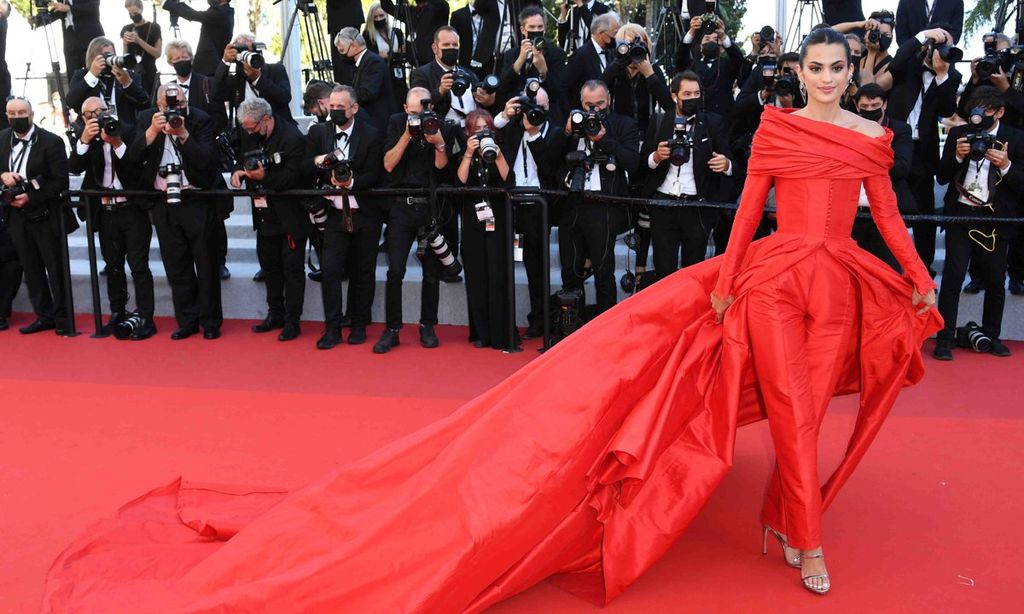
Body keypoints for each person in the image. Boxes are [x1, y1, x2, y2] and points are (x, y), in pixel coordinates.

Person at [41, 28, 945, 612]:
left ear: (853, 73)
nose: (825, 77)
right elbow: (748, 211)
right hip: (773, 283)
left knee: (812, 404)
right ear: (800, 72)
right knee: (786, 401)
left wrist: (916, 279)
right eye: (814, 67)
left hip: (841, 284)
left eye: (837, 67)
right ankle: (807, 537)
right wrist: (727, 283)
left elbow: (890, 216)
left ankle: (787, 517)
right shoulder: (778, 131)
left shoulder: (870, 140)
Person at [125, 83, 225, 340]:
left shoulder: (200, 119)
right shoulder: (146, 119)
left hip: (196, 198)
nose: (173, 108)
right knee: (176, 265)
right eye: (168, 104)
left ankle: (211, 321)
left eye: (178, 103)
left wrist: (183, 134)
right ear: (158, 105)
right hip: (162, 203)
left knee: (206, 263)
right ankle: (187, 320)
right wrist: (151, 133)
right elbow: (131, 160)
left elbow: (207, 160)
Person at [933, 86, 1024, 360]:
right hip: (961, 215)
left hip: (996, 220)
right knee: (952, 278)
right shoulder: (959, 134)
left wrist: (1006, 165)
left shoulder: (1016, 138)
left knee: (996, 281)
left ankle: (991, 335)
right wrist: (958, 156)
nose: (980, 116)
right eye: (976, 111)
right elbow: (941, 177)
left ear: (1000, 112)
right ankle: (944, 337)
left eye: (986, 111)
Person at [374, 87, 456, 354]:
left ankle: (427, 325)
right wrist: (407, 136)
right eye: (413, 112)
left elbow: (442, 168)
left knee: (431, 272)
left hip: (429, 207)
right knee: (395, 270)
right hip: (400, 207)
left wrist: (439, 143)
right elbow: (388, 164)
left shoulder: (439, 124)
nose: (418, 117)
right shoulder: (396, 122)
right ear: (405, 108)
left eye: (422, 112)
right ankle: (392, 329)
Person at [70, 96, 156, 340]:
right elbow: (74, 167)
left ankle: (147, 318)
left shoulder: (128, 130)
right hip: (106, 212)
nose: (98, 116)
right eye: (90, 114)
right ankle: (118, 312)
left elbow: (136, 166)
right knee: (113, 266)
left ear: (110, 110)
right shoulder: (87, 137)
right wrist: (85, 139)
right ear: (84, 118)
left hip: (132, 210)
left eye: (101, 110)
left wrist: (117, 143)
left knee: (139, 266)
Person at [307, 85, 384, 350]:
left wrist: (353, 181)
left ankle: (360, 323)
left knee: (364, 271)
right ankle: (332, 327)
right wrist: (320, 162)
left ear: (354, 108)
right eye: (333, 106)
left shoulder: (372, 135)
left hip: (365, 214)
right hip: (333, 214)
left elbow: (376, 174)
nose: (336, 111)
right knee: (329, 271)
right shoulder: (319, 133)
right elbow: (307, 164)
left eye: (342, 106)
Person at [554, 79, 639, 316]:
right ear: (580, 103)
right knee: (570, 271)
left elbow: (633, 163)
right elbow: (549, 160)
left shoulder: (623, 125)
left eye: (600, 103)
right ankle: (573, 326)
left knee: (603, 271)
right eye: (588, 104)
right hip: (572, 203)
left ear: (609, 100)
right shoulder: (572, 125)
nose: (594, 110)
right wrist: (567, 132)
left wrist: (603, 140)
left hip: (604, 205)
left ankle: (605, 327)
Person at [231, 98, 310, 341]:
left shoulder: (293, 138)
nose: (248, 131)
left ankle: (292, 320)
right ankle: (275, 313)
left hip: (289, 217)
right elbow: (243, 158)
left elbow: (294, 178)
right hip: (264, 216)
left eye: (252, 127)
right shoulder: (250, 134)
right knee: (270, 268)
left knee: (292, 271)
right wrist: (239, 171)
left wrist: (264, 176)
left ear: (266, 119)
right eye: (245, 128)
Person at [641, 71, 732, 278]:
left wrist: (725, 164)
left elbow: (731, 162)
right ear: (675, 96)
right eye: (687, 93)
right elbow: (641, 162)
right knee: (664, 268)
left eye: (696, 93)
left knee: (694, 270)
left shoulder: (712, 123)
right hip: (663, 205)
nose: (692, 98)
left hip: (697, 206)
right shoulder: (659, 121)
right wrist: (656, 157)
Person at [886, 26, 961, 274]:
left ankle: (923, 267)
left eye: (946, 47)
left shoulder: (951, 76)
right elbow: (895, 63)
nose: (942, 51)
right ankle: (887, 263)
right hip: (896, 144)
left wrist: (941, 76)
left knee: (924, 211)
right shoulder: (908, 66)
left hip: (923, 151)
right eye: (939, 45)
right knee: (889, 202)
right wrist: (921, 35)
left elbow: (947, 109)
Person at [0, 97, 76, 335]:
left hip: (46, 216)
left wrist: (31, 197)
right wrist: (2, 175)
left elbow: (60, 181)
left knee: (55, 270)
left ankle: (64, 320)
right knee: (30, 269)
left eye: (22, 112)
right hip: (15, 217)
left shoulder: (51, 141)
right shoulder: (2, 139)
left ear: (31, 114)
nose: (17, 117)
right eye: (12, 113)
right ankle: (45, 316)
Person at [496, 84, 562, 339]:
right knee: (509, 260)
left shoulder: (554, 134)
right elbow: (490, 132)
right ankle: (504, 322)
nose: (535, 113)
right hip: (510, 205)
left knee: (536, 267)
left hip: (537, 207)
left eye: (541, 109)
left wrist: (534, 135)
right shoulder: (513, 129)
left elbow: (548, 170)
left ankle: (539, 321)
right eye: (530, 108)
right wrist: (505, 115)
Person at [455, 108, 516, 349]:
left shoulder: (502, 150)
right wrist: (469, 154)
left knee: (498, 275)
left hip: (499, 220)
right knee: (476, 276)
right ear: (468, 133)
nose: (482, 134)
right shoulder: (464, 154)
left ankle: (502, 333)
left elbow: (509, 181)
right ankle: (480, 332)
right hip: (472, 222)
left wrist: (498, 155)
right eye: (476, 130)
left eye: (486, 129)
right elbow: (458, 183)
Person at [851, 83, 916, 271]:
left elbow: (902, 167)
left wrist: (868, 157)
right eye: (864, 107)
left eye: (874, 106)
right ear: (857, 107)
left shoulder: (900, 130)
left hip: (886, 211)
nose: (870, 110)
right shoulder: (849, 129)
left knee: (890, 271)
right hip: (854, 212)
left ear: (884, 104)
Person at [66, 37, 150, 136]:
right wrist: (92, 75)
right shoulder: (82, 75)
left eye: (112, 55)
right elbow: (71, 102)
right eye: (105, 56)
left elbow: (145, 104)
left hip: (124, 135)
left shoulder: (128, 75)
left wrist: (127, 83)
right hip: (93, 135)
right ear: (93, 58)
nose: (109, 59)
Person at [496, 5, 567, 117]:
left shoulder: (557, 54)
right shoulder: (511, 54)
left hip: (546, 114)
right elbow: (503, 87)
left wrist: (543, 71)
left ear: (545, 28)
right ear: (523, 29)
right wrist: (520, 59)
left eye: (540, 27)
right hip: (517, 113)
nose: (536, 31)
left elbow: (558, 93)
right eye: (532, 27)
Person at [212, 33, 295, 126]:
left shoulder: (276, 69)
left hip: (277, 132)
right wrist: (225, 62)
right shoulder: (237, 79)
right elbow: (216, 94)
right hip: (248, 134)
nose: (247, 55)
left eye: (251, 51)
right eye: (242, 51)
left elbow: (285, 97)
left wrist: (258, 79)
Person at [334, 27, 396, 131]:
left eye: (342, 50)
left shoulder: (373, 62)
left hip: (378, 123)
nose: (341, 55)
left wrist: (345, 94)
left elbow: (368, 93)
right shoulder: (362, 63)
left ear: (353, 46)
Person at [161, 0, 234, 77]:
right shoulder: (222, 11)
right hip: (208, 67)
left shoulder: (221, 13)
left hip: (209, 68)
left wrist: (167, 4)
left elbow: (193, 15)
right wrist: (180, 5)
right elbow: (196, 14)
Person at [563, 12, 619, 110]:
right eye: (614, 33)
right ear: (601, 33)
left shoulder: (611, 54)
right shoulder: (581, 55)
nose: (616, 38)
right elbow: (566, 87)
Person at [361, 2, 408, 112]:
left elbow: (404, 50)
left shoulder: (397, 32)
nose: (379, 19)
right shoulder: (368, 35)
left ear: (386, 16)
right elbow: (370, 55)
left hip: (398, 75)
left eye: (381, 16)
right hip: (382, 75)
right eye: (376, 17)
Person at [379, 0, 450, 69]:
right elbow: (388, 6)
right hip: (415, 64)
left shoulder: (440, 8)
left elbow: (440, 4)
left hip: (434, 64)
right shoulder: (411, 11)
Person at [49, 0, 104, 76]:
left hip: (90, 40)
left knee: (96, 75)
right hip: (70, 42)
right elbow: (56, 12)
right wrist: (36, 20)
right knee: (73, 77)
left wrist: (70, 8)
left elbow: (93, 8)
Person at [120, 0, 162, 97]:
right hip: (132, 73)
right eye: (129, 13)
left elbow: (157, 53)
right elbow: (125, 58)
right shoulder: (126, 28)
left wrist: (139, 41)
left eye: (135, 13)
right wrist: (125, 44)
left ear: (141, 9)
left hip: (149, 72)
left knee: (151, 99)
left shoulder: (153, 27)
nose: (132, 15)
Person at [895, 0, 964, 46]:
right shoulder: (906, 2)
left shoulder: (956, 2)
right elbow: (901, 35)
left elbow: (955, 35)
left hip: (943, 59)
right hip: (911, 60)